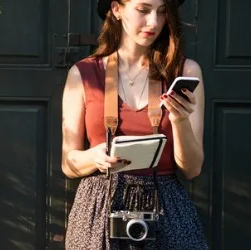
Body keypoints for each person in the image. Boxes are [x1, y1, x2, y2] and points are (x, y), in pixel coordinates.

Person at [61, 0, 209, 249]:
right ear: (117, 9)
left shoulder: (185, 71)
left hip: (166, 208)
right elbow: (68, 164)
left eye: (162, 12)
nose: (154, 22)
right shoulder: (83, 74)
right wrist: (95, 158)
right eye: (143, 10)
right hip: (98, 207)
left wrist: (180, 119)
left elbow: (192, 169)